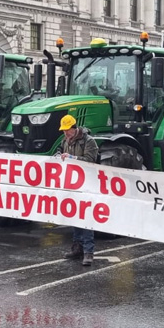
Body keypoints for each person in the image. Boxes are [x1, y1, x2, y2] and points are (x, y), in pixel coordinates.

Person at [57, 114, 99, 266]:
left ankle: (88, 252)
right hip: (74, 185)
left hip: (87, 185)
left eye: (67, 130)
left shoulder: (89, 142)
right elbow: (60, 151)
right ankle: (77, 248)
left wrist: (72, 158)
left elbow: (90, 161)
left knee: (87, 218)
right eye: (64, 131)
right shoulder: (65, 141)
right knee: (75, 216)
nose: (65, 133)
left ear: (74, 128)